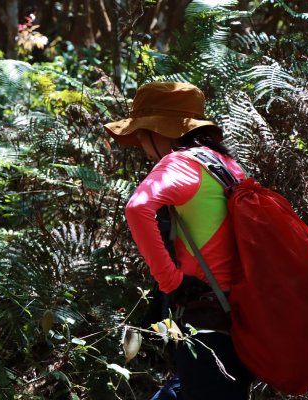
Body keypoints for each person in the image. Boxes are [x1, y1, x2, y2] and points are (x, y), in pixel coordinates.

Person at [104, 82, 254, 400]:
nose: (142, 147)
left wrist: (171, 281)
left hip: (207, 325)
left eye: (142, 135)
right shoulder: (226, 165)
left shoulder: (181, 162)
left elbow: (137, 206)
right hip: (241, 319)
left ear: (160, 132)